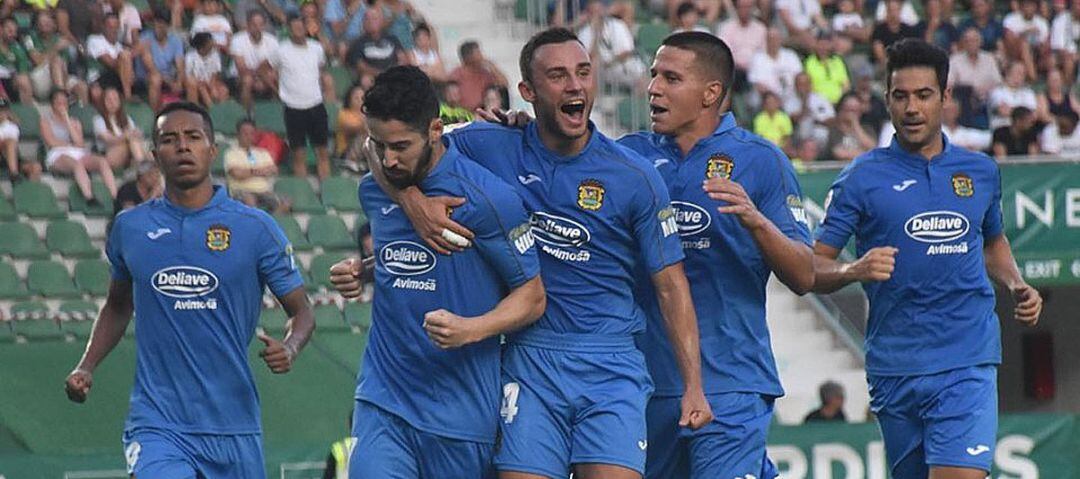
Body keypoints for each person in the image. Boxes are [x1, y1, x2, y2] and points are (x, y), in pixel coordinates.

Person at [384, 28, 712, 479]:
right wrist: (412, 203)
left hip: (610, 363)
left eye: (582, 72)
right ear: (528, 92)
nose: (575, 85)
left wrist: (694, 386)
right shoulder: (488, 145)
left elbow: (672, 286)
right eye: (557, 76)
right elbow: (384, 146)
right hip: (531, 360)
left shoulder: (633, 177)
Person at [811, 39, 1042, 479]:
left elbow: (993, 241)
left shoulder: (980, 171)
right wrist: (853, 269)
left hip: (966, 357)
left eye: (923, 95)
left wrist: (1015, 283)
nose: (911, 108)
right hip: (895, 366)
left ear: (945, 97)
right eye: (901, 96)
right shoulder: (861, 178)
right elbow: (812, 267)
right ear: (887, 100)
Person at [63, 101, 315, 478]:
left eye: (193, 137)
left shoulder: (255, 228)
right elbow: (117, 306)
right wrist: (86, 365)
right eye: (169, 139)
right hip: (158, 424)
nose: (182, 146)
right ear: (154, 155)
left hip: (234, 426)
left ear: (212, 150)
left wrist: (291, 348)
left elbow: (303, 311)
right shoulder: (130, 228)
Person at [328, 65, 546, 478]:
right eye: (378, 144)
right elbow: (409, 258)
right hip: (384, 399)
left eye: (400, 146)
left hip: (461, 414)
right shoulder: (374, 189)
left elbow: (533, 297)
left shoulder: (487, 199)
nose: (388, 159)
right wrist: (367, 269)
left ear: (434, 130)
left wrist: (472, 328)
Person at [613, 31, 812, 479]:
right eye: (653, 76)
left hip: (731, 384)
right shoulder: (629, 156)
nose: (653, 88)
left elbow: (805, 275)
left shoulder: (761, 161)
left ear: (711, 93)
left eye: (670, 78)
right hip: (642, 385)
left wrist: (756, 219)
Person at [272, 13, 331, 179]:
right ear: (289, 30)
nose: (298, 30)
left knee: (323, 151)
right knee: (298, 154)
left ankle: (326, 194)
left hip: (316, 104)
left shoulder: (317, 48)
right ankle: (303, 194)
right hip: (293, 107)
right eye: (294, 27)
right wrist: (278, 90)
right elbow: (265, 69)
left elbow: (321, 69)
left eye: (301, 26)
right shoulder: (281, 50)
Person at [41, 88, 117, 204]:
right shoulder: (45, 121)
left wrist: (67, 120)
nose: (62, 105)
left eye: (65, 102)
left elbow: (80, 143)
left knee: (102, 161)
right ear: (52, 104)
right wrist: (70, 145)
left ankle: (114, 196)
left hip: (77, 152)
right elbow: (51, 142)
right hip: (57, 154)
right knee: (77, 164)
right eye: (59, 102)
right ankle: (89, 196)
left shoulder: (75, 122)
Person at [225, 119, 283, 212]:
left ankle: (267, 224)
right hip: (242, 190)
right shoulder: (231, 153)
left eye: (251, 133)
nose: (248, 136)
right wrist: (260, 171)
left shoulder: (263, 153)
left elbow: (274, 170)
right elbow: (237, 174)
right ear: (238, 135)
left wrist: (248, 171)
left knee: (285, 203)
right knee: (249, 200)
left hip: (264, 191)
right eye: (245, 133)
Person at [229, 11, 280, 112]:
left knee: (275, 76)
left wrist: (263, 76)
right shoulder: (237, 39)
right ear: (248, 25)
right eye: (254, 24)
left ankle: (277, 108)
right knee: (248, 80)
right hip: (239, 77)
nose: (257, 28)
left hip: (265, 76)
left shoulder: (272, 40)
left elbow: (275, 66)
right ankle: (247, 112)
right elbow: (241, 68)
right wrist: (260, 74)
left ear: (264, 25)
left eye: (260, 24)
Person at [345, 8, 407, 88]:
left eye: (375, 18)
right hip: (373, 76)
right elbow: (360, 65)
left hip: (393, 74)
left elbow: (402, 58)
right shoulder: (358, 42)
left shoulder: (392, 39)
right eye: (368, 19)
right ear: (364, 23)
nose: (371, 22)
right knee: (365, 80)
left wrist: (394, 72)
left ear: (382, 21)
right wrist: (381, 73)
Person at [136, 11, 185, 110]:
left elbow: (180, 64)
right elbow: (151, 68)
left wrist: (179, 82)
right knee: (156, 79)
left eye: (162, 24)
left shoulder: (175, 40)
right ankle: (155, 114)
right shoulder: (145, 38)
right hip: (146, 76)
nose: (158, 27)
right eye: (157, 23)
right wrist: (170, 83)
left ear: (168, 26)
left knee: (190, 79)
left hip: (168, 75)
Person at [93, 86, 147, 169]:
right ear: (103, 102)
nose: (112, 103)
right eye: (109, 100)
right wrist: (126, 136)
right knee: (131, 141)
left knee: (140, 144)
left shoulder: (126, 119)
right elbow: (109, 140)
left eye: (115, 99)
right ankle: (143, 168)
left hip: (129, 153)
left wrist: (137, 133)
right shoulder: (98, 120)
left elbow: (134, 134)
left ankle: (146, 166)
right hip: (109, 154)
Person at [448, 40, 509, 111]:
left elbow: (504, 84)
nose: (481, 56)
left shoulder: (484, 73)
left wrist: (492, 66)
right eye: (478, 53)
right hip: (463, 114)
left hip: (483, 113)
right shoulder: (456, 75)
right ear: (468, 56)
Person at [184, 32, 229, 108]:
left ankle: (223, 111)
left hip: (211, 82)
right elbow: (189, 76)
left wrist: (212, 87)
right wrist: (203, 84)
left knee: (223, 90)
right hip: (197, 83)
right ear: (202, 46)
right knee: (203, 89)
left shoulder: (215, 54)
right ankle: (213, 111)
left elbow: (215, 73)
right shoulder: (190, 57)